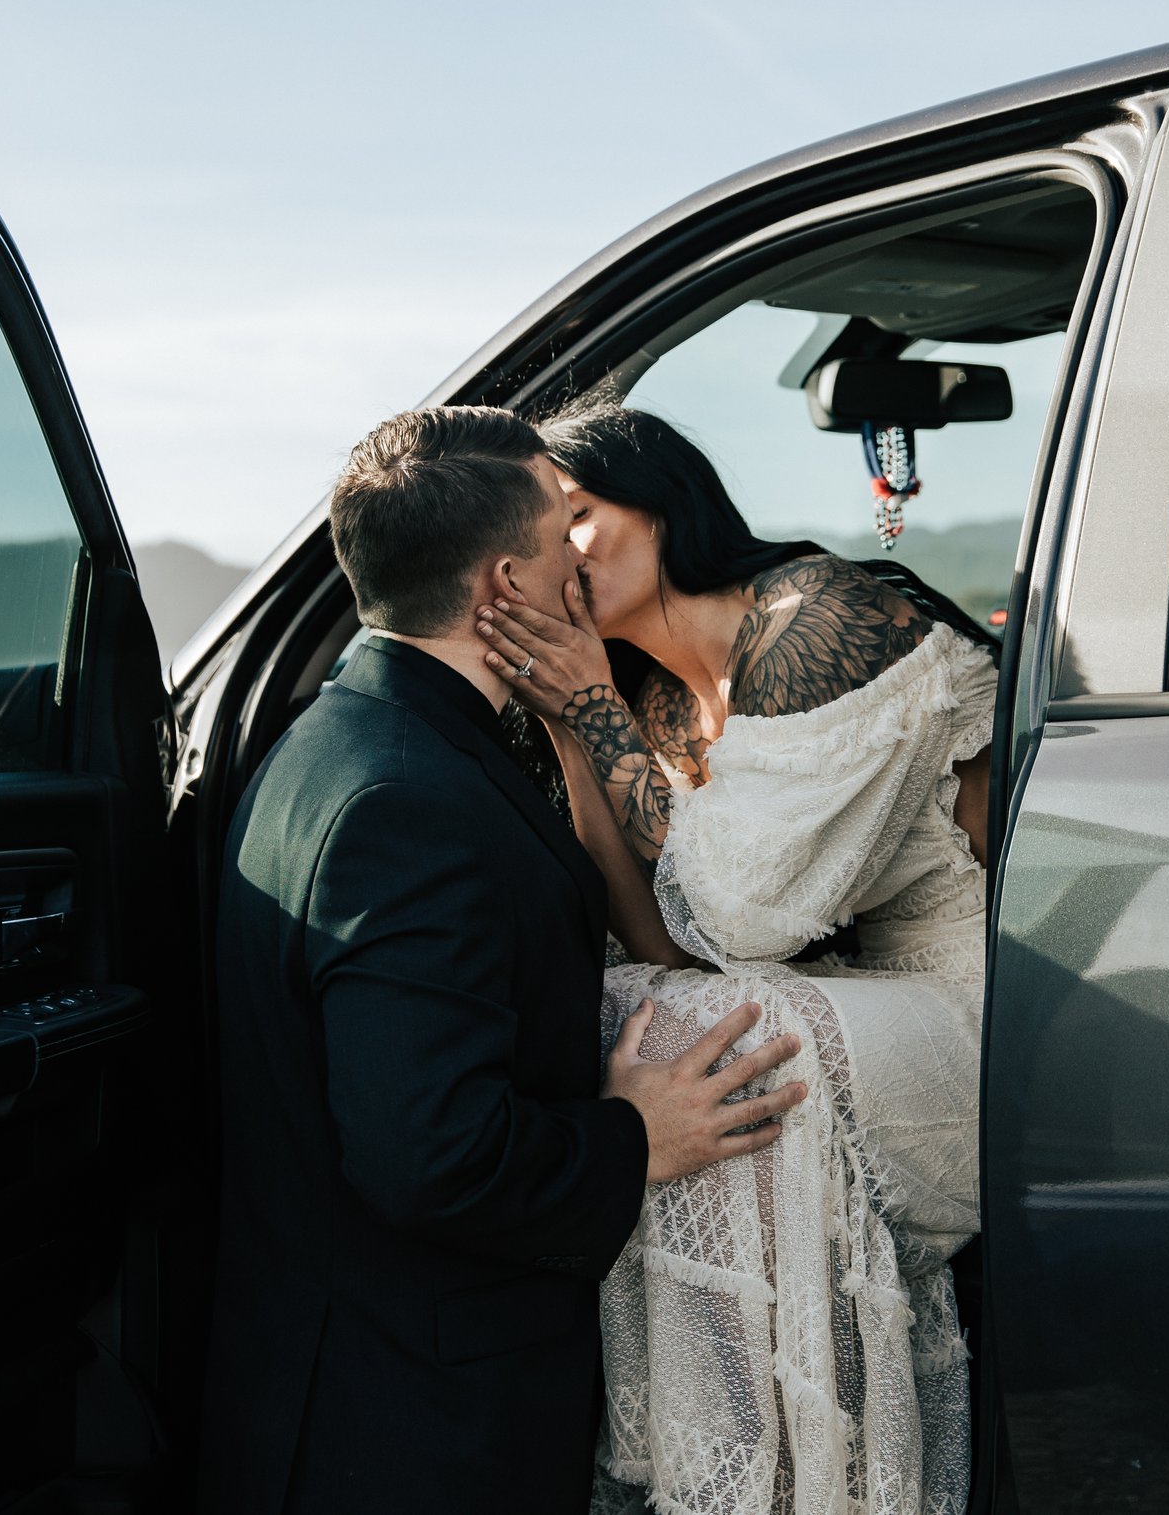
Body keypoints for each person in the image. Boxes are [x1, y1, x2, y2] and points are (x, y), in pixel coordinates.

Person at [199, 404, 808, 1515]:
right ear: (501, 588)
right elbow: (431, 1152)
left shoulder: (347, 741)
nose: (581, 554)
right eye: (557, 533)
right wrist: (634, 1135)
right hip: (408, 1427)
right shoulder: (407, 803)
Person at [476, 402, 996, 1515]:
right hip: (844, 995)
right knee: (631, 1006)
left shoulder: (814, 619)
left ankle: (776, 1487)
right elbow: (662, 934)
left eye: (578, 517)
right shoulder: (649, 693)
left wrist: (586, 704)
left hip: (984, 1002)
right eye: (536, 536)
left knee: (725, 1037)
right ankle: (711, 1466)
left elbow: (747, 919)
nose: (559, 558)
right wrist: (576, 724)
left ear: (662, 503)